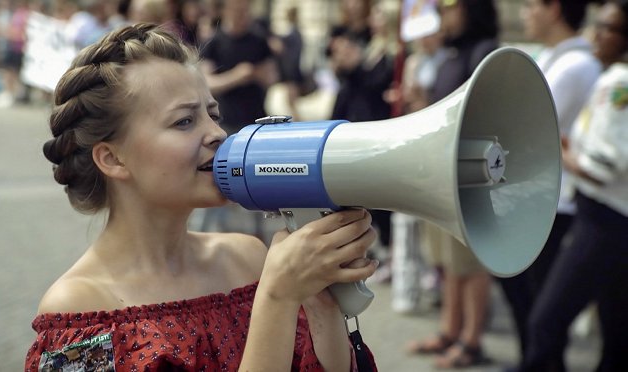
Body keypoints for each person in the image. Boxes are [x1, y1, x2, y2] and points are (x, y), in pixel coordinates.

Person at [24, 23, 379, 371]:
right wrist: (278, 299)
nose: (217, 134)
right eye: (183, 122)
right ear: (113, 158)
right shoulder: (75, 310)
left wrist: (323, 304)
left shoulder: (247, 257)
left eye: (213, 114)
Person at [518, 1, 628, 370]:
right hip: (606, 215)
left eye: (609, 28)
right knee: (616, 332)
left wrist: (565, 155)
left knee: (546, 320)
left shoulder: (619, 82)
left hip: (605, 218)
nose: (597, 34)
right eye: (599, 24)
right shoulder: (611, 76)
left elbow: (603, 167)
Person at [497, 0, 602, 364]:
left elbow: (522, 123)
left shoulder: (574, 65)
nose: (524, 13)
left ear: (554, 9)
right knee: (528, 298)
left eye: (529, 5)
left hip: (554, 203)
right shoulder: (555, 58)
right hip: (542, 198)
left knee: (540, 306)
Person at [405, 0, 500, 368]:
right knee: (447, 261)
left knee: (470, 263)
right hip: (442, 170)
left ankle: (472, 339)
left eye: (450, 8)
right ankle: (450, 329)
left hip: (467, 174)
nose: (443, 16)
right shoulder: (453, 52)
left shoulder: (483, 52)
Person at [199, 0, 277, 135]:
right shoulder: (213, 43)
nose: (243, 15)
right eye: (238, 11)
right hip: (226, 120)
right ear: (225, 11)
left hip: (256, 119)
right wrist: (235, 77)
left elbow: (272, 77)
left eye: (246, 10)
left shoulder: (259, 40)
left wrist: (255, 74)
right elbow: (207, 83)